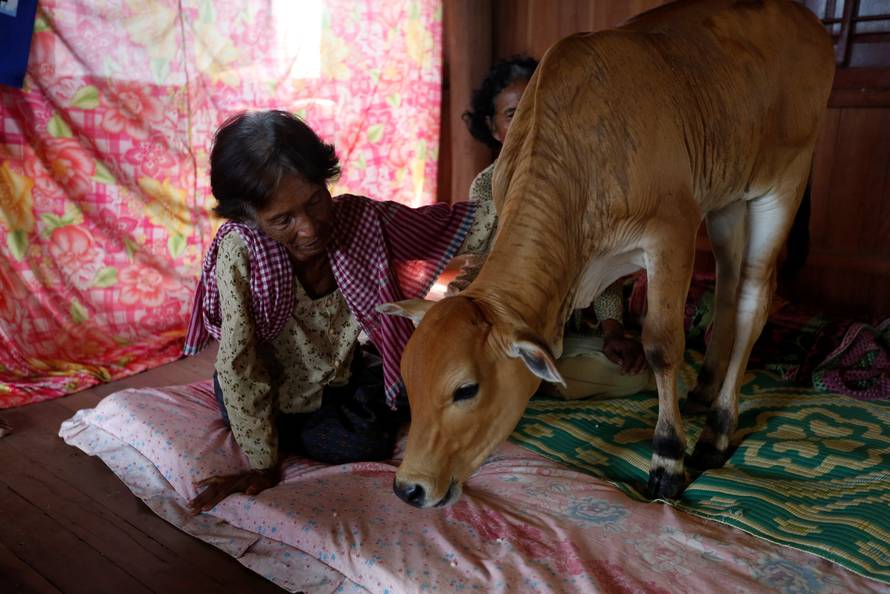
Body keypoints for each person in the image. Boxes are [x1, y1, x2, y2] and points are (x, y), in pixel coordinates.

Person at [183, 110, 496, 512]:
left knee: (403, 395)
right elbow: (239, 364)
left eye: (315, 201)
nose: (309, 228)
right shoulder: (241, 253)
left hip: (336, 377)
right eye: (283, 220)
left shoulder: (359, 221)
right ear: (247, 216)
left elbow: (455, 226)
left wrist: (533, 206)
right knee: (358, 441)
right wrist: (262, 464)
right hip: (265, 386)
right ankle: (269, 427)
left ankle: (318, 413)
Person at [448, 56, 652, 399]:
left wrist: (612, 332)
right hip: (510, 326)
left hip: (568, 334)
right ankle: (523, 376)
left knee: (635, 374)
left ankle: (520, 381)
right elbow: (479, 264)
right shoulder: (486, 188)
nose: (530, 123)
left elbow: (599, 265)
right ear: (494, 127)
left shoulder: (579, 186)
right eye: (513, 114)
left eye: (538, 108)